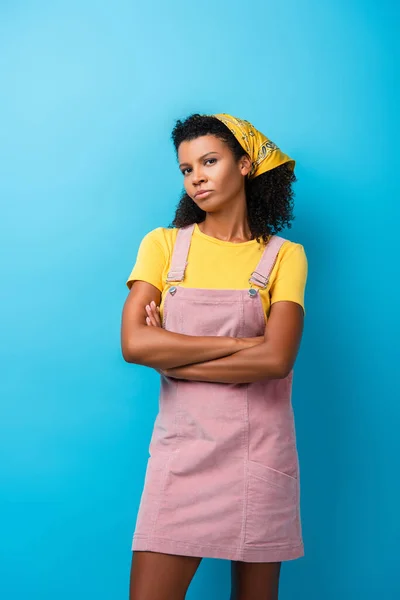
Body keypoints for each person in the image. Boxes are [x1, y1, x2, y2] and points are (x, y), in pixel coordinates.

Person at [121, 112, 308, 600]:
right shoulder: (162, 246)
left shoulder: (285, 256)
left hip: (258, 456)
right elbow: (135, 345)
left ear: (245, 165)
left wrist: (174, 358)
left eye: (209, 161)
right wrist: (244, 344)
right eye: (186, 169)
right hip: (181, 457)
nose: (196, 177)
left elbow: (277, 361)